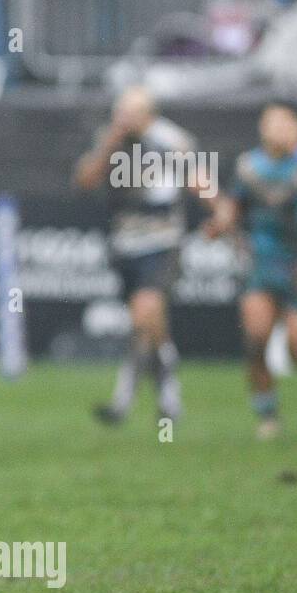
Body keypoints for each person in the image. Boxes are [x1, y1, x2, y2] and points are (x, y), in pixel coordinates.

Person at [204, 103, 297, 440]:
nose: (279, 130)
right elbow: (233, 211)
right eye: (273, 124)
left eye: (286, 123)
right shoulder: (248, 168)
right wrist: (218, 225)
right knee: (255, 339)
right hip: (262, 267)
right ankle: (268, 416)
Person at [74, 86, 205, 426]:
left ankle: (124, 399)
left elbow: (199, 181)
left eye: (131, 112)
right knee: (149, 325)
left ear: (149, 113)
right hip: (125, 243)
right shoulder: (111, 140)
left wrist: (221, 213)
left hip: (162, 242)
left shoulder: (172, 140)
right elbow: (85, 180)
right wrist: (109, 143)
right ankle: (167, 394)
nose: (124, 118)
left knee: (145, 314)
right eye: (121, 111)